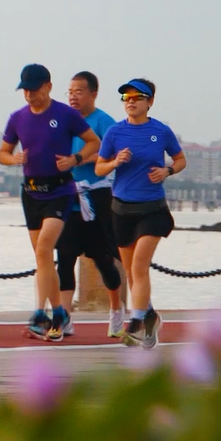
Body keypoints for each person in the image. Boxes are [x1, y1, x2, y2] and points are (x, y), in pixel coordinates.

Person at [0, 63, 101, 342]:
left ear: (48, 87)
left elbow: (94, 142)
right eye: (25, 90)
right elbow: (3, 153)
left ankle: (45, 314)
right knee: (41, 258)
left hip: (59, 191)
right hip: (31, 192)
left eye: (34, 89)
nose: (29, 95)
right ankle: (54, 313)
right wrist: (14, 159)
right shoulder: (17, 118)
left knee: (45, 249)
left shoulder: (66, 114)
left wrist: (75, 159)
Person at [95, 78, 186, 349]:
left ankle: (135, 323)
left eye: (138, 97)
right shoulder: (114, 132)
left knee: (139, 266)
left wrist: (167, 171)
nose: (131, 102)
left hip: (152, 210)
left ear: (150, 102)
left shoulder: (161, 131)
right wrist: (115, 162)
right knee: (131, 272)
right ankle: (149, 317)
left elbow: (180, 159)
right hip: (122, 210)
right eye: (127, 97)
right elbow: (99, 168)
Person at [56, 71, 125, 338]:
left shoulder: (104, 121)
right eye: (70, 92)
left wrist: (81, 159)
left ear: (94, 94)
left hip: (97, 197)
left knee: (103, 260)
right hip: (67, 196)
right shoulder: (63, 120)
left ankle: (116, 309)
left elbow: (115, 154)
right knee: (64, 259)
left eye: (79, 92)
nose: (73, 97)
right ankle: (64, 318)